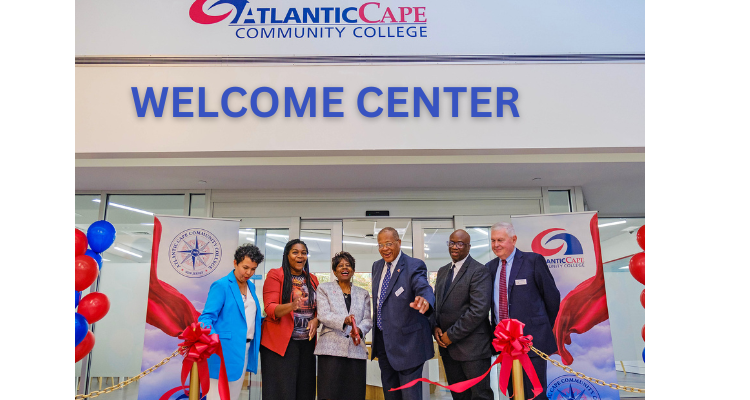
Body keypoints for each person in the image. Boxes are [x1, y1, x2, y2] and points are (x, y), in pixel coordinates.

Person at [486, 222, 560, 400]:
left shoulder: (533, 261)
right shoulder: (489, 268)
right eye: (493, 240)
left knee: (534, 394)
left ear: (513, 239)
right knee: (514, 393)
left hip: (532, 342)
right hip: (505, 345)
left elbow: (552, 298)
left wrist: (540, 328)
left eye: (500, 240)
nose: (496, 245)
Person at [371, 227, 435, 400]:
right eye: (380, 245)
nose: (384, 248)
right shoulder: (377, 267)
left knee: (410, 397)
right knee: (390, 395)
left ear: (399, 243)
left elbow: (422, 286)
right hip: (384, 345)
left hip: (409, 347)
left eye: (389, 243)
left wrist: (425, 299)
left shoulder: (413, 265)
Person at [432, 230, 493, 400]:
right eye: (451, 243)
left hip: (473, 348)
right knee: (458, 395)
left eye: (460, 244)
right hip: (448, 348)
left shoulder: (479, 271)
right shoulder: (443, 271)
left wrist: (450, 335)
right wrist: (435, 327)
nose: (454, 247)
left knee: (480, 395)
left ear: (469, 247)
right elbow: (438, 305)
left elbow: (478, 310)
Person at [198, 244, 265, 400]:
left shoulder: (251, 287)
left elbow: (247, 316)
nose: (249, 273)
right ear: (235, 263)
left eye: (253, 269)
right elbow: (205, 318)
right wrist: (214, 339)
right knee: (217, 397)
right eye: (245, 267)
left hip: (245, 349)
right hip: (222, 350)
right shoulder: (221, 285)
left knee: (232, 396)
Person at [260, 239, 319, 400]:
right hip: (280, 345)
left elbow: (319, 310)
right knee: (281, 393)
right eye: (295, 252)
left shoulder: (312, 279)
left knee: (305, 391)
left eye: (304, 253)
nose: (300, 256)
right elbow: (270, 308)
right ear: (286, 255)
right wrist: (291, 306)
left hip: (306, 344)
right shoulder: (275, 274)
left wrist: (316, 320)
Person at [315, 251, 373, 400]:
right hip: (330, 349)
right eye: (340, 265)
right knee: (329, 392)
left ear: (353, 270)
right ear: (334, 271)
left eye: (348, 265)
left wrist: (358, 329)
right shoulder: (323, 289)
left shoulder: (363, 293)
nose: (344, 268)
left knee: (355, 392)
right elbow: (323, 314)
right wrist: (344, 320)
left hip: (355, 349)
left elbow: (368, 319)